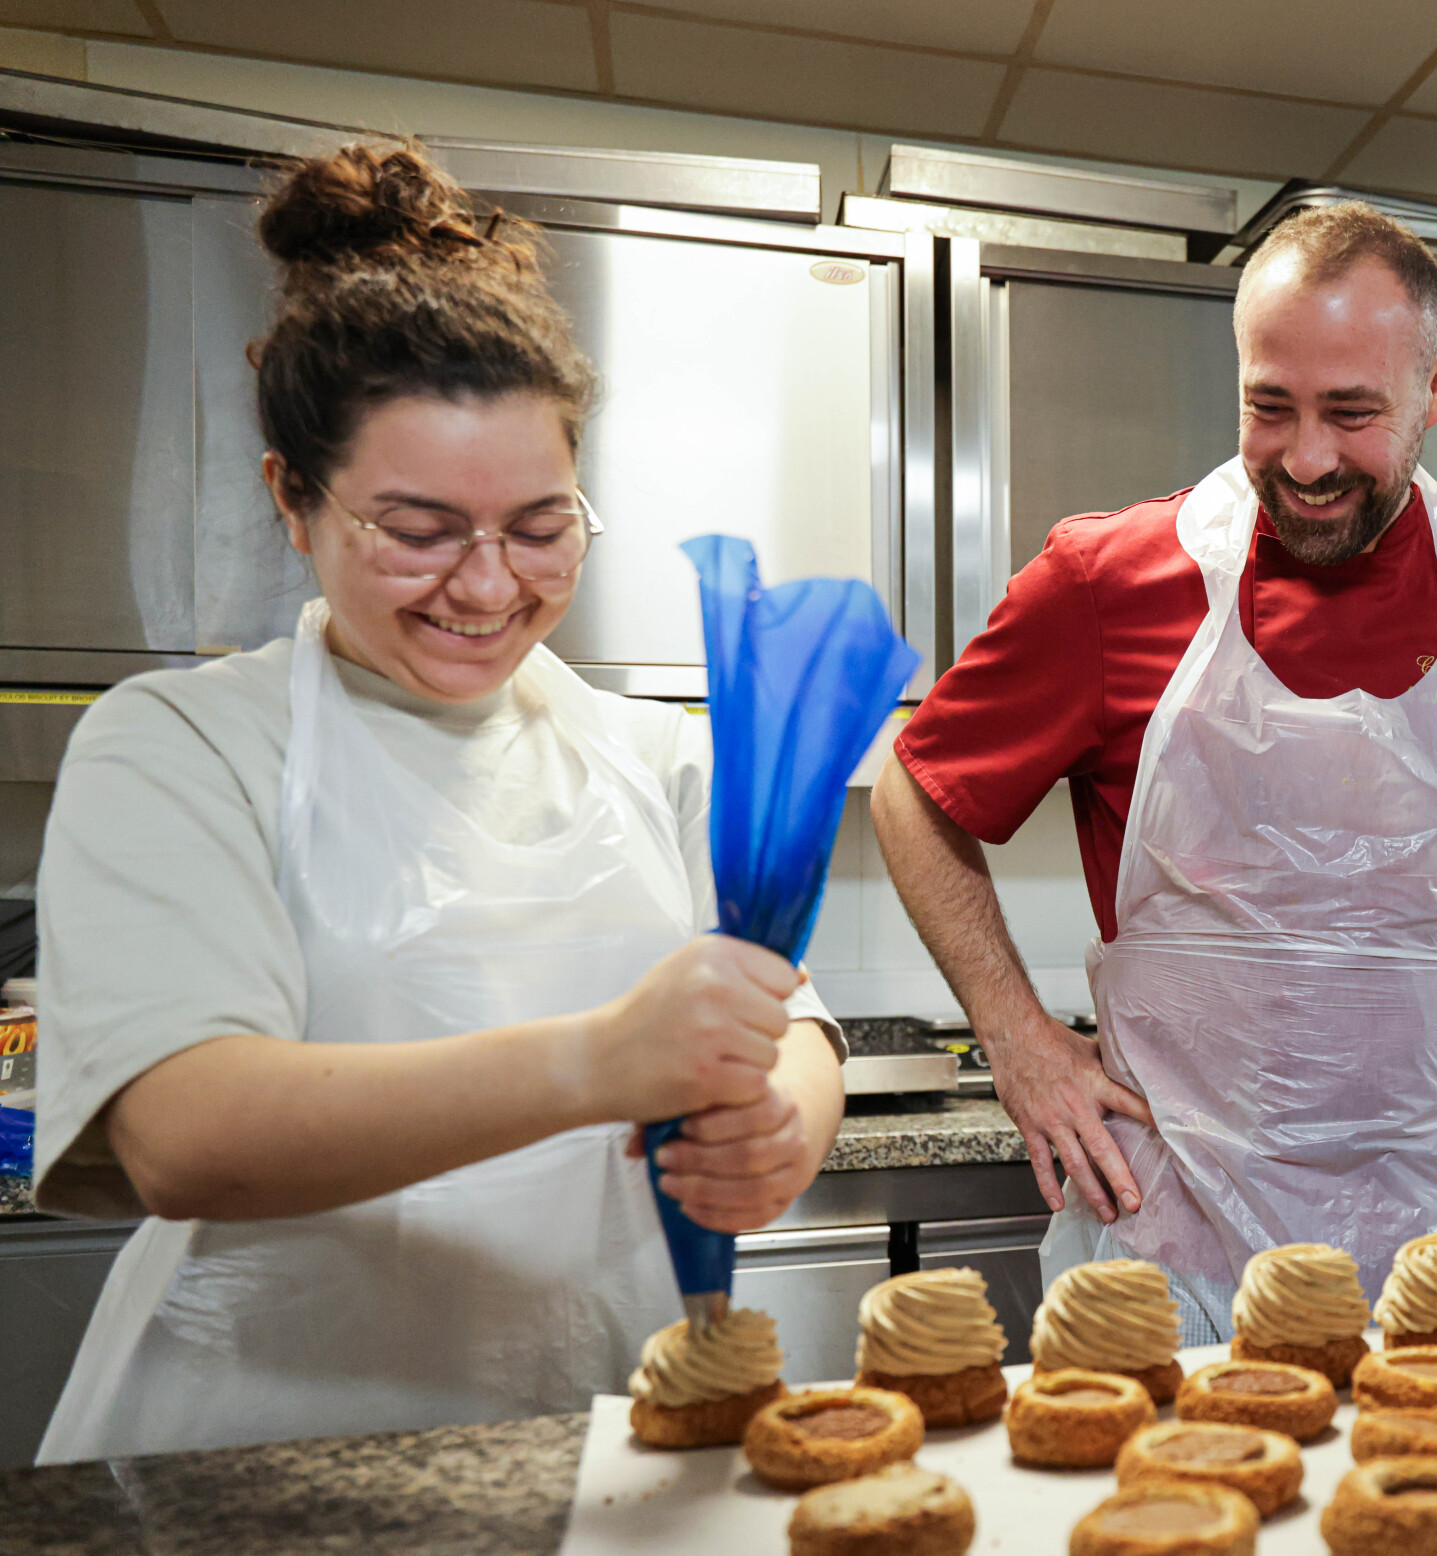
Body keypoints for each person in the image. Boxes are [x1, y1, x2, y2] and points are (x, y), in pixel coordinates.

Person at [31, 144, 845, 1463]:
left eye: (541, 525)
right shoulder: (180, 744)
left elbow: (789, 1020)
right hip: (257, 1465)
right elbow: (185, 1131)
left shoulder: (654, 755)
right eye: (418, 528)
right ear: (293, 502)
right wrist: (595, 1060)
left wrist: (780, 1129)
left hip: (592, 1441)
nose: (486, 585)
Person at [872, 203, 1437, 1339]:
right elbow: (917, 786)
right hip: (1170, 1248)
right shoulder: (1107, 578)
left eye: (1353, 413)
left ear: (1435, 390)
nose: (1306, 458)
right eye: (1268, 406)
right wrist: (1015, 1035)